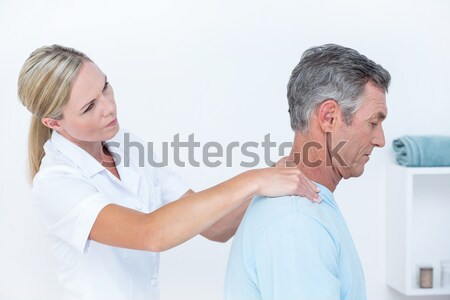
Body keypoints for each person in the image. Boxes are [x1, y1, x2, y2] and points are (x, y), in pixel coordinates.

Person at [17, 45, 321, 300]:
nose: (108, 107)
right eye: (89, 107)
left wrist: (277, 171)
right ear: (53, 123)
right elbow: (151, 234)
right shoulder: (55, 182)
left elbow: (215, 228)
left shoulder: (126, 144)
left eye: (105, 86)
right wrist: (255, 179)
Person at [224, 44, 391, 300]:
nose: (380, 140)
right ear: (329, 117)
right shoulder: (296, 222)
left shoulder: (308, 207)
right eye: (373, 123)